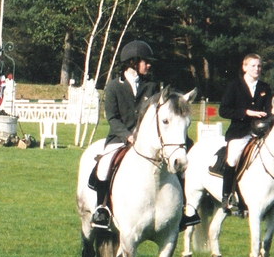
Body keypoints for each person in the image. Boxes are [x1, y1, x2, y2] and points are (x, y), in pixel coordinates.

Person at [89, 40, 199, 231]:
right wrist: (127, 136)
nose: (148, 65)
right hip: (119, 138)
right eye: (145, 62)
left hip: (147, 141)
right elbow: (112, 118)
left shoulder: (151, 86)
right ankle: (102, 208)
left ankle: (183, 210)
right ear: (133, 62)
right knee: (104, 166)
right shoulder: (114, 86)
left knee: (179, 167)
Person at [218, 53, 272, 213]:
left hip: (260, 132)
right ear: (245, 67)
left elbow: (269, 110)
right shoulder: (234, 86)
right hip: (239, 132)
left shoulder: (265, 87)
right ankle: (226, 196)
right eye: (253, 66)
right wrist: (247, 112)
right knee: (233, 158)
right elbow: (223, 110)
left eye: (259, 66)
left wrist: (269, 117)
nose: (257, 69)